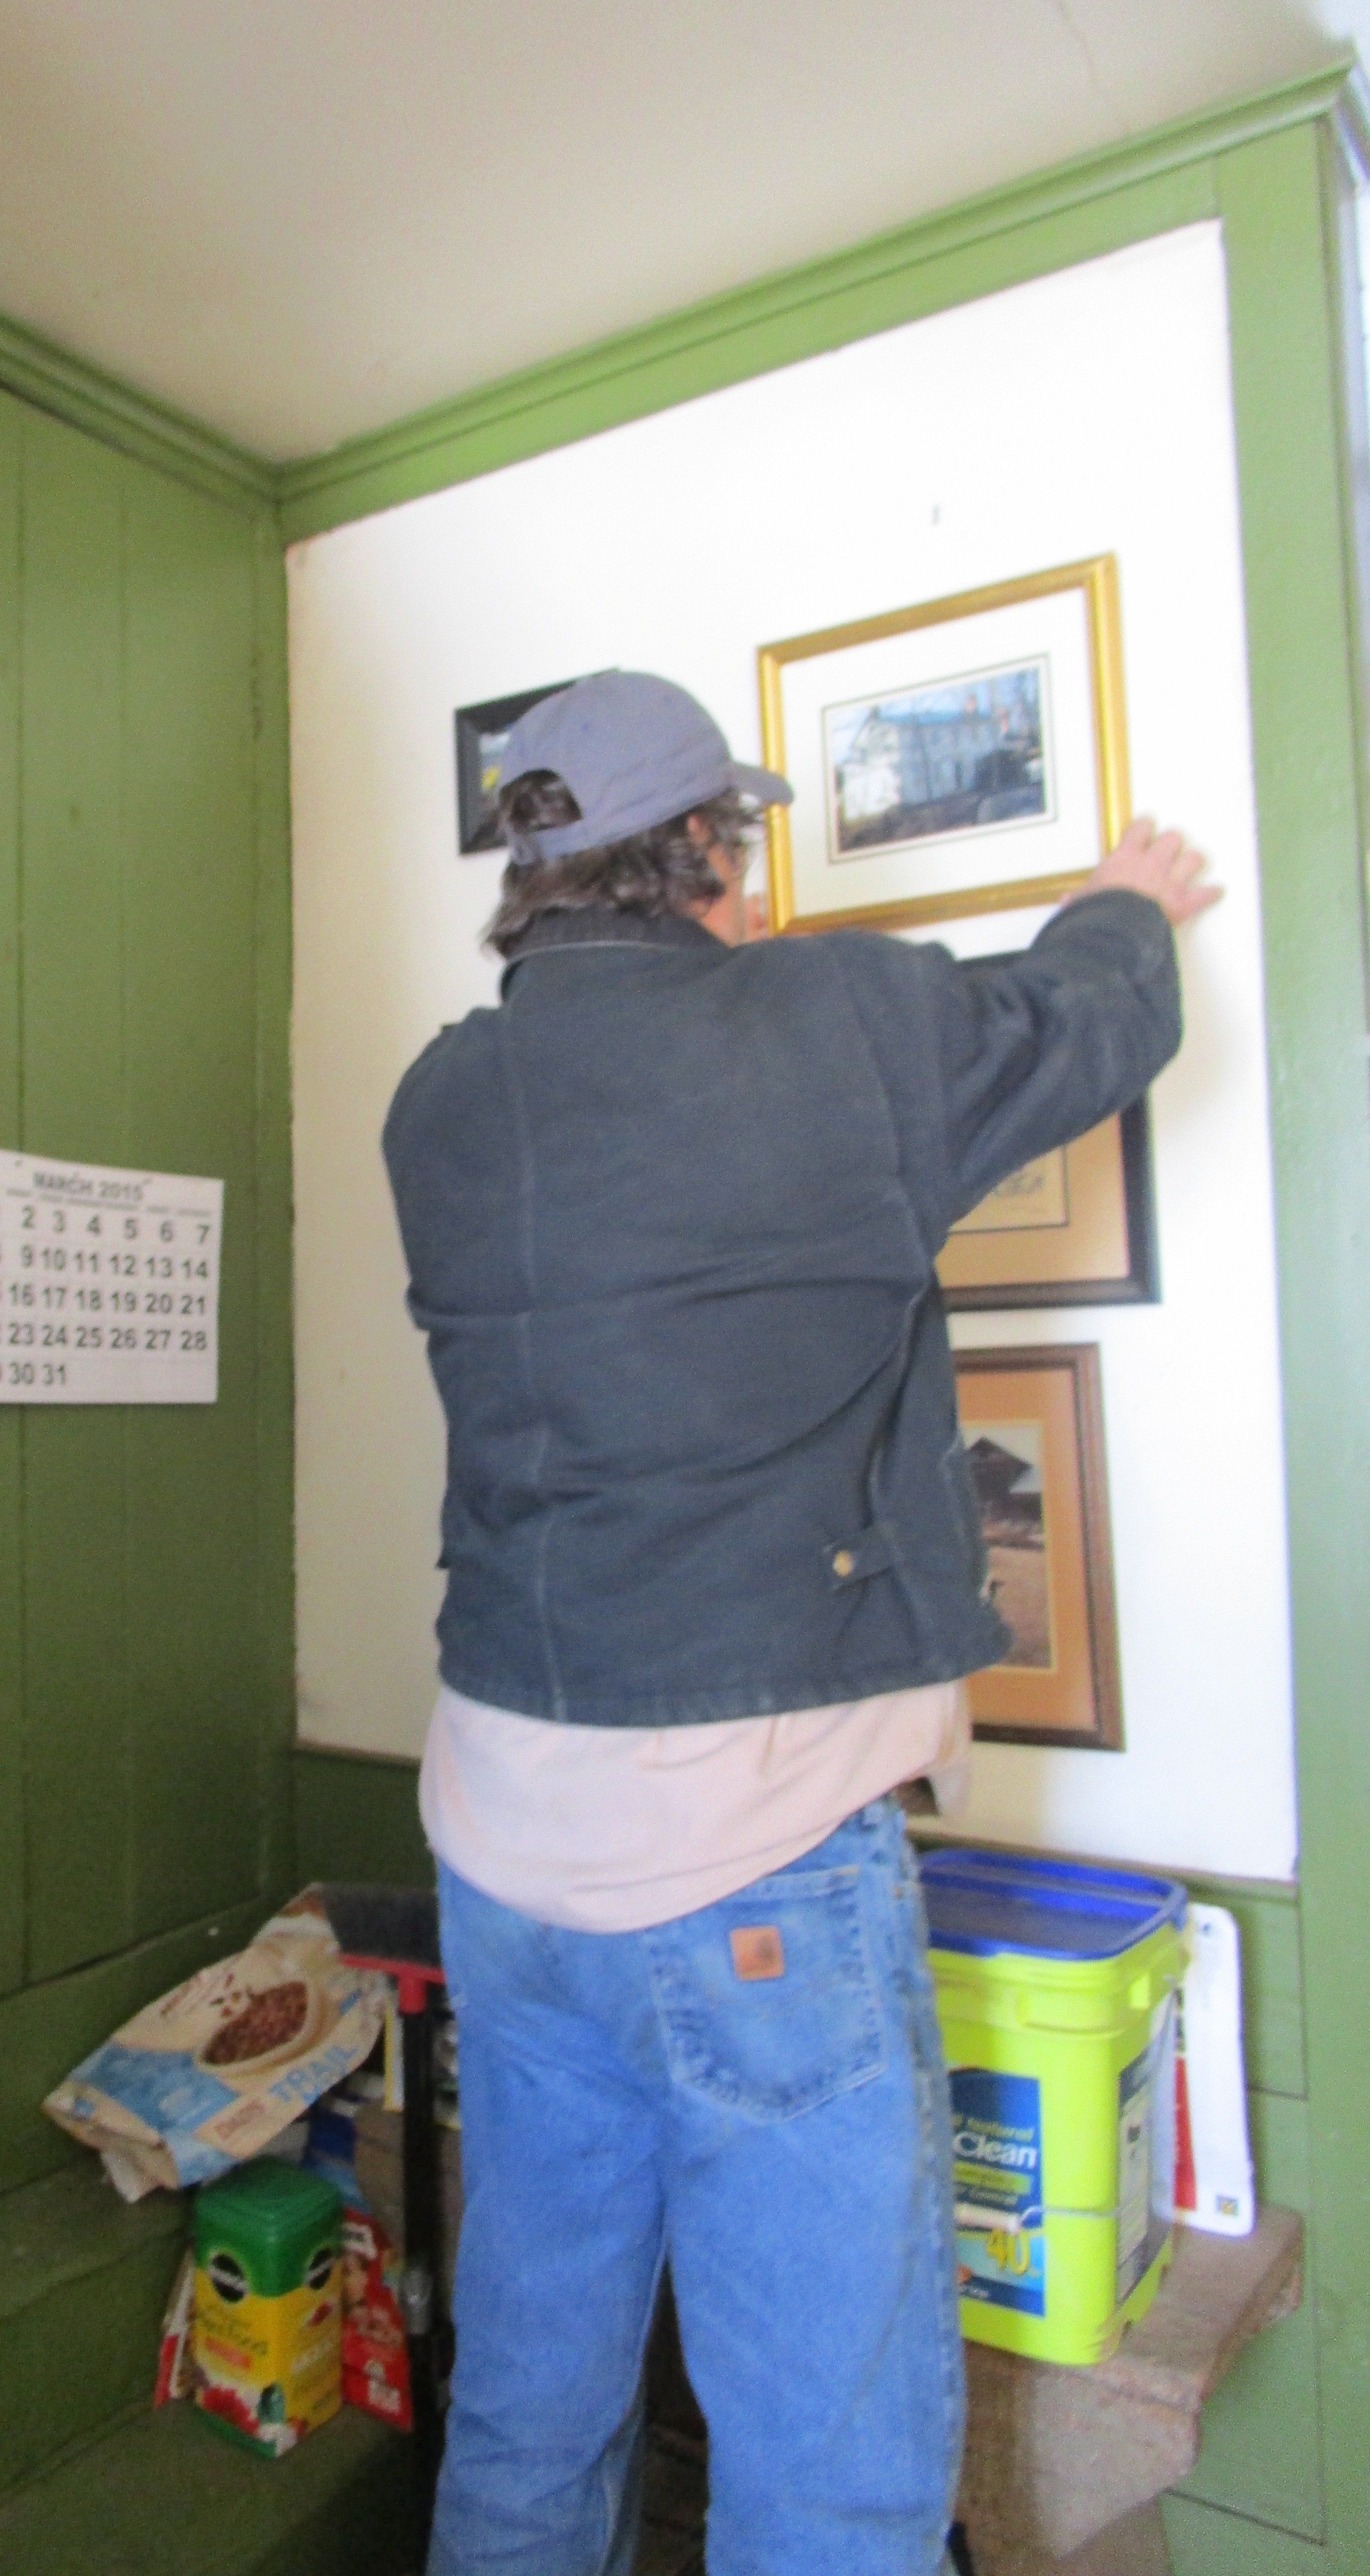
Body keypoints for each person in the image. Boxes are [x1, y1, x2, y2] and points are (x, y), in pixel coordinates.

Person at [379, 669, 1217, 2576]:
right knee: (828, 2475)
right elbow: (1089, 1019)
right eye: (740, 848)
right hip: (748, 1863)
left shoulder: (442, 1097)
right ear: (704, 849)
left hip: (500, 1849)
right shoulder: (836, 1022)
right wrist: (1129, 902)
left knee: (528, 2411)